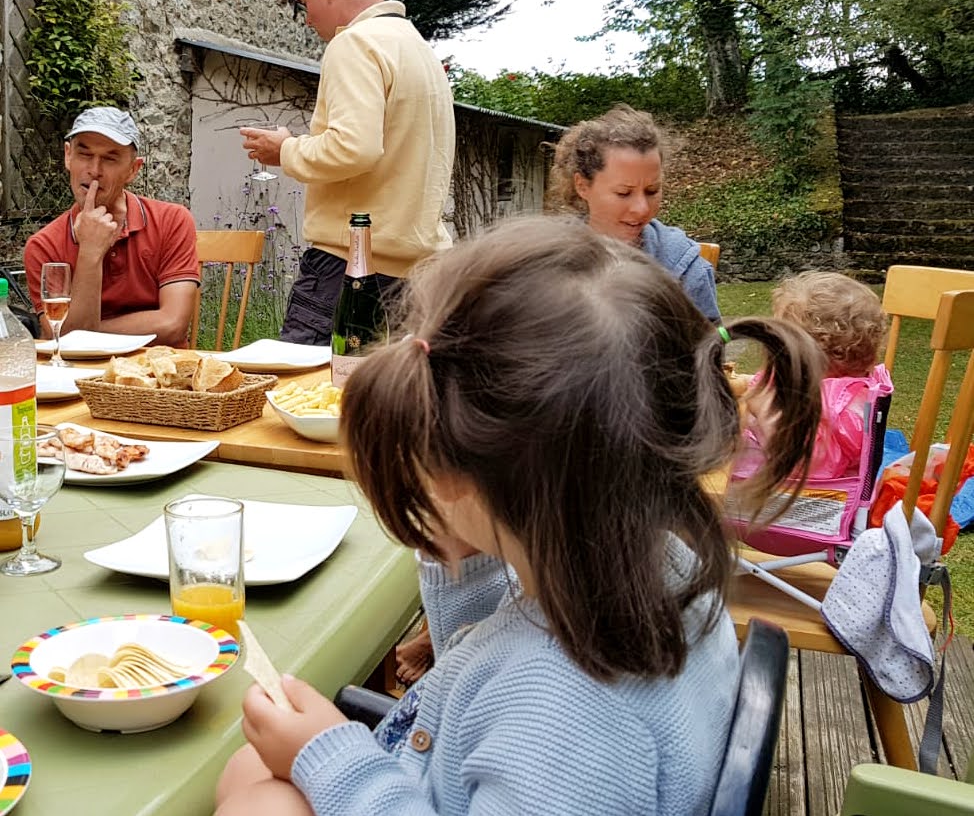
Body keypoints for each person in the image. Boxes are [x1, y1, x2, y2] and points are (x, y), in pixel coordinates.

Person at [214, 215, 823, 816]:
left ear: (461, 481)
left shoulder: (571, 723)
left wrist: (337, 762)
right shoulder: (645, 562)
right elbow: (493, 639)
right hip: (448, 760)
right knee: (253, 770)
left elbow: (525, 700)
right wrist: (468, 545)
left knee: (255, 796)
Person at [241, 0, 455, 344]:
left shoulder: (354, 42)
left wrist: (284, 149)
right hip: (418, 277)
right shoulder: (419, 49)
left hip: (348, 269)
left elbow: (353, 147)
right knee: (386, 403)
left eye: (303, 1)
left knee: (309, 395)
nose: (305, 17)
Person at [24, 107, 200, 347]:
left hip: (160, 374)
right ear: (68, 156)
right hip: (78, 379)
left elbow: (173, 325)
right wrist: (90, 251)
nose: (94, 170)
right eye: (84, 155)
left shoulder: (172, 220)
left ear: (133, 169)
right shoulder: (43, 246)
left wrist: (89, 333)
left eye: (110, 158)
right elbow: (65, 343)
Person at [546, 103, 720, 322]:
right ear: (582, 186)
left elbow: (710, 349)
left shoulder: (688, 270)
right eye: (623, 192)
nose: (642, 209)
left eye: (652, 191)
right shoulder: (547, 262)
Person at [740, 270, 892, 482]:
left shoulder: (846, 406)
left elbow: (805, 465)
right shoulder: (823, 382)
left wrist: (763, 407)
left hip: (811, 499)